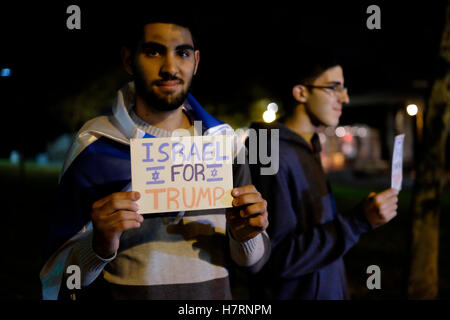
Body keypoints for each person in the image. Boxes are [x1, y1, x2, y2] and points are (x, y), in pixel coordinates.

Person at [40, 11, 270, 300]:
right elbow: (60, 276)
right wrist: (99, 245)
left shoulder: (225, 143)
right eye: (153, 52)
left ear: (196, 62)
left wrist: (246, 235)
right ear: (128, 60)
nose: (170, 68)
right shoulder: (95, 145)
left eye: (182, 53)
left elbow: (254, 262)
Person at [247, 52, 399, 300]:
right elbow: (273, 258)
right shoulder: (267, 150)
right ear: (301, 92)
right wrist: (358, 221)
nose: (345, 98)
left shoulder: (309, 145)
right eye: (333, 88)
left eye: (344, 88)